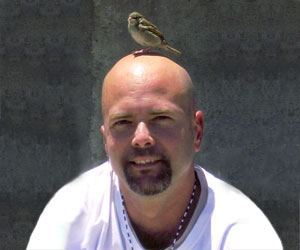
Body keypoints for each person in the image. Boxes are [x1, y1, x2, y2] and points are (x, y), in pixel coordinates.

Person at [27, 54, 283, 250]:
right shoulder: (72, 215)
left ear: (197, 132)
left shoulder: (242, 232)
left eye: (161, 118)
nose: (141, 138)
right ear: (105, 140)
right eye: (123, 122)